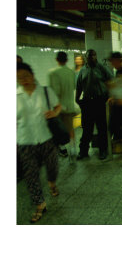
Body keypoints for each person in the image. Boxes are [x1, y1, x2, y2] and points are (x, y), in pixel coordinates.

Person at [17, 62, 61, 223]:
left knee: (53, 167)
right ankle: (40, 204)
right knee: (31, 175)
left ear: (33, 75)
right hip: (25, 140)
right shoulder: (14, 96)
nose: (24, 80)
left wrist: (54, 113)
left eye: (26, 76)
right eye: (20, 78)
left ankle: (52, 182)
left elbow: (58, 106)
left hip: (46, 138)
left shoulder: (45, 91)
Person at [75, 49, 114, 160]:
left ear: (96, 56)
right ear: (86, 57)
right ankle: (83, 151)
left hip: (100, 101)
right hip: (88, 102)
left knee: (101, 128)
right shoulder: (82, 71)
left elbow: (112, 81)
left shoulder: (102, 68)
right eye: (89, 56)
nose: (92, 58)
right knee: (87, 128)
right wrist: (77, 99)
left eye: (94, 55)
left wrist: (110, 96)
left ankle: (103, 150)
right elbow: (79, 86)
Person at [48, 51, 76, 158]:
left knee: (57, 129)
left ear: (56, 60)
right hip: (69, 105)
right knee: (70, 129)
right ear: (67, 60)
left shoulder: (53, 72)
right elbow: (73, 87)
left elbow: (55, 92)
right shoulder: (71, 72)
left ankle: (63, 149)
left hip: (58, 107)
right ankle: (73, 149)